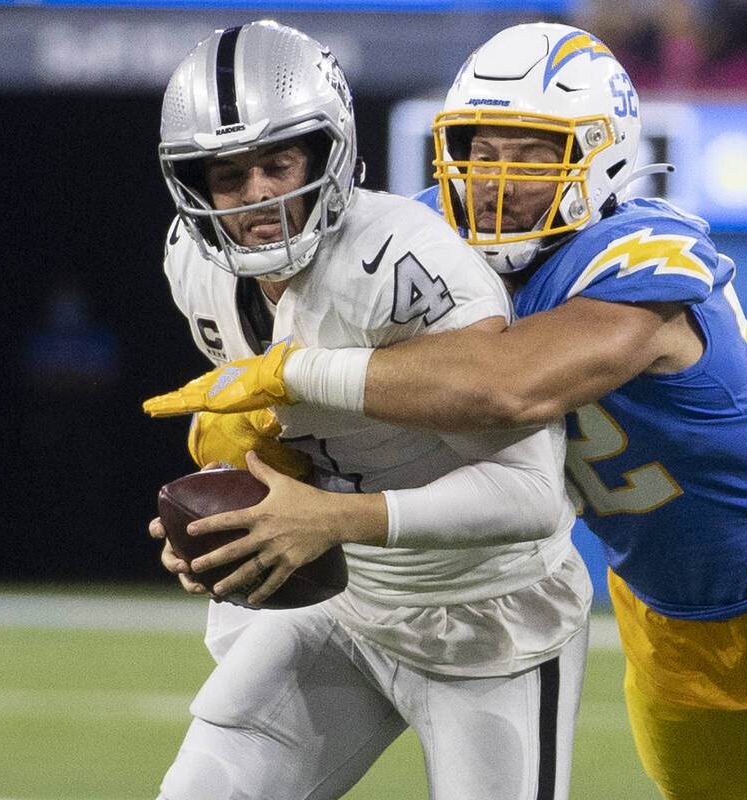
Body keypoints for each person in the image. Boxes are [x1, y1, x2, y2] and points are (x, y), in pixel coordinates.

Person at [146, 22, 747, 800]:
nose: (494, 179)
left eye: (532, 153)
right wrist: (256, 464)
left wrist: (292, 374)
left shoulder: (643, 256)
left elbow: (508, 385)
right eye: (479, 150)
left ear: (600, 154)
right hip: (673, 621)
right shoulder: (426, 244)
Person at [142, 20, 591, 800]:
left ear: (328, 154)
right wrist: (229, 523)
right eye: (229, 175)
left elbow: (529, 494)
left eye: (278, 164)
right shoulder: (195, 265)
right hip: (342, 599)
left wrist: (331, 518)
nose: (258, 196)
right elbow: (295, 451)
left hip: (490, 615)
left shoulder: (403, 262)